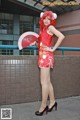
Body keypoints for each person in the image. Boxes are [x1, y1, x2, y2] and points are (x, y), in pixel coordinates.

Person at [31, 11, 65, 116]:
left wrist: (53, 49)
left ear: (51, 20)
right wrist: (36, 43)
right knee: (48, 81)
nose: (46, 20)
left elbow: (61, 36)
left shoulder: (50, 28)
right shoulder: (44, 29)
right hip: (43, 56)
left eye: (48, 19)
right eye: (45, 18)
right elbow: (43, 44)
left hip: (46, 57)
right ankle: (53, 102)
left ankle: (43, 106)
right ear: (42, 19)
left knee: (43, 83)